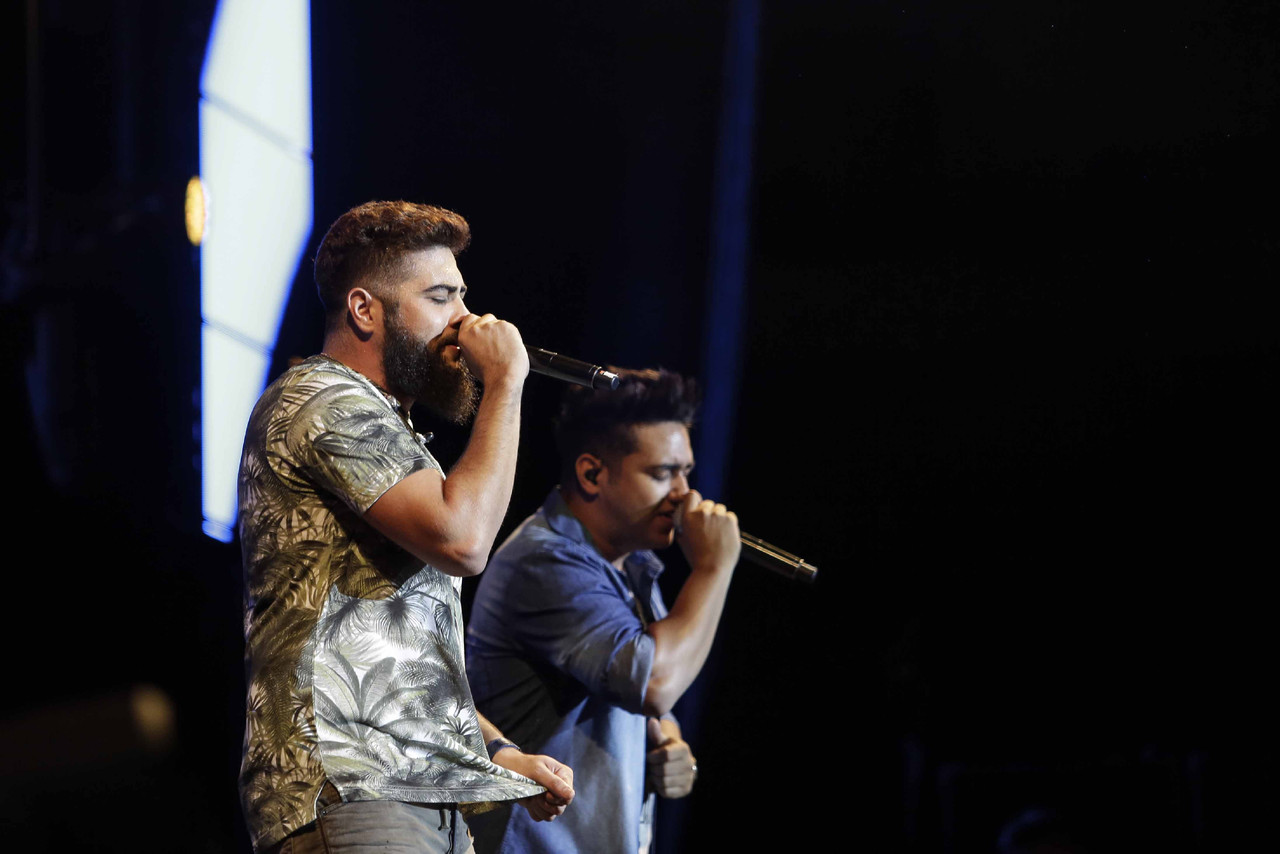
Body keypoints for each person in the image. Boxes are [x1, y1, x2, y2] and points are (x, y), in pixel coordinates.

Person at [237, 200, 574, 854]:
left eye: (462, 296)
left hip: (419, 800)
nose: (466, 322)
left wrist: (498, 753)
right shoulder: (322, 398)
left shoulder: (388, 432)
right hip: (350, 791)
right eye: (441, 297)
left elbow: (393, 653)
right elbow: (463, 540)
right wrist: (506, 383)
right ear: (365, 310)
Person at [465, 368, 741, 853]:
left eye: (685, 472)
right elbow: (653, 683)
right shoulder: (545, 560)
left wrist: (667, 739)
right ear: (592, 474)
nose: (686, 495)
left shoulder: (630, 563)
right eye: (662, 474)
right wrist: (713, 569)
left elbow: (645, 694)